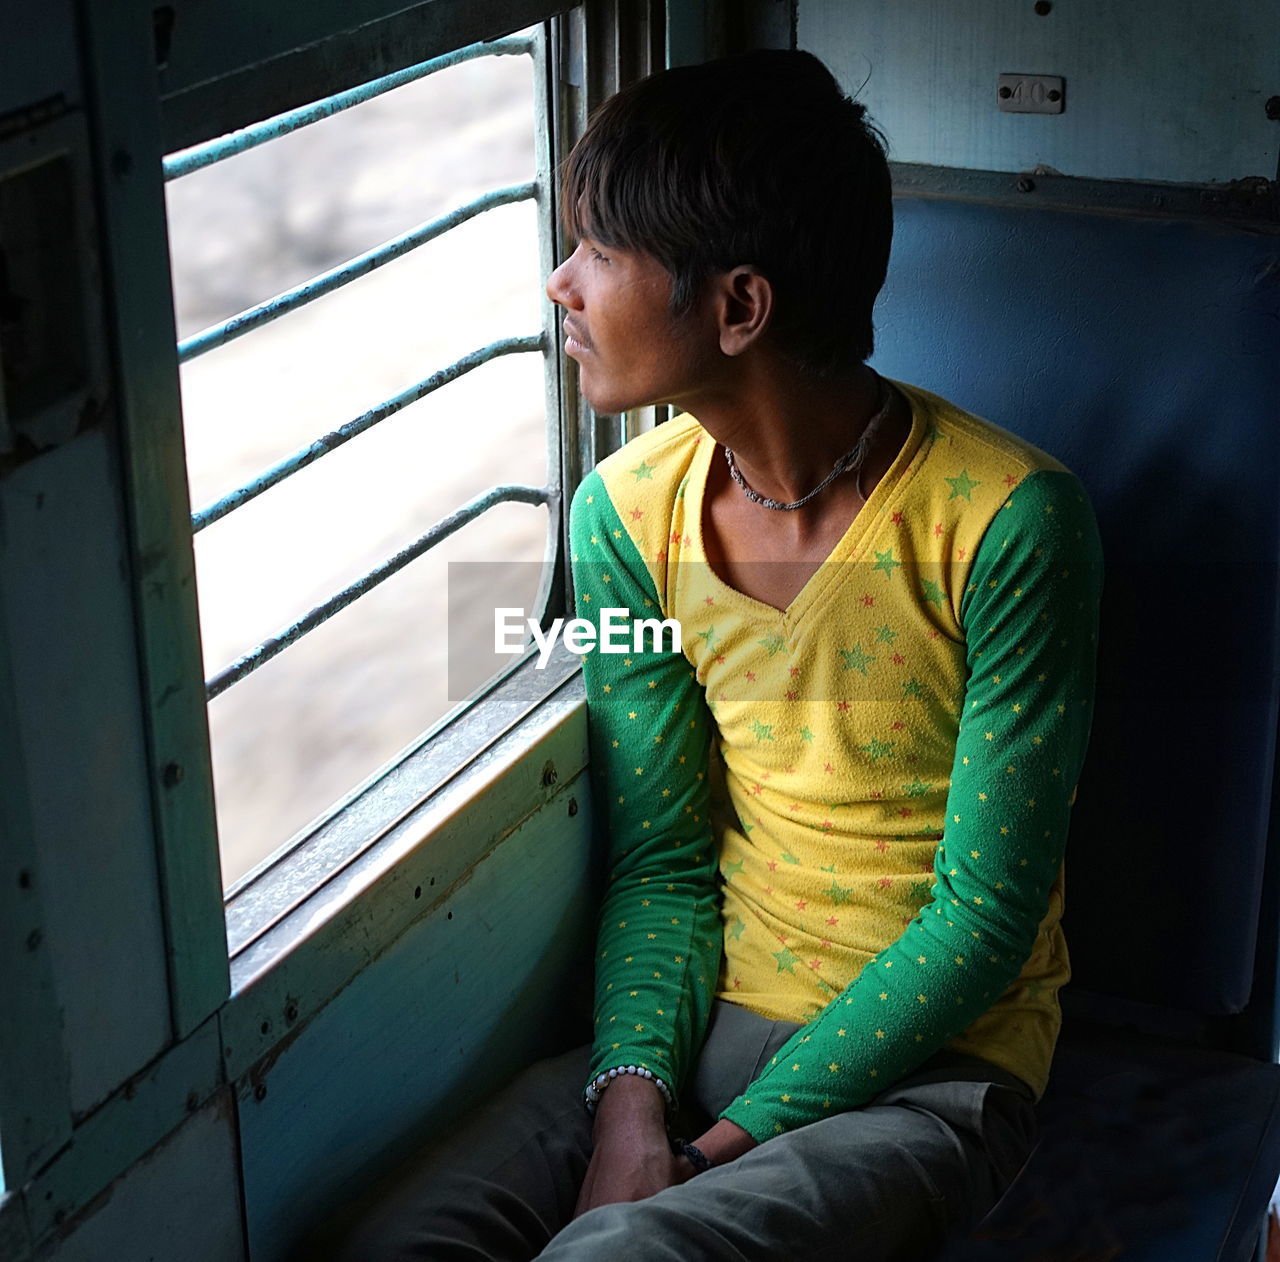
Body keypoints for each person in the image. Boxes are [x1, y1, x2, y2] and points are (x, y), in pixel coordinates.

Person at [330, 46, 1101, 1261]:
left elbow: (983, 915)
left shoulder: (1004, 522)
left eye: (598, 250)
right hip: (693, 1033)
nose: (557, 284)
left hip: (932, 1077)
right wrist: (630, 1107)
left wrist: (703, 1156)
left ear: (739, 307)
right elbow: (668, 857)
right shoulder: (624, 516)